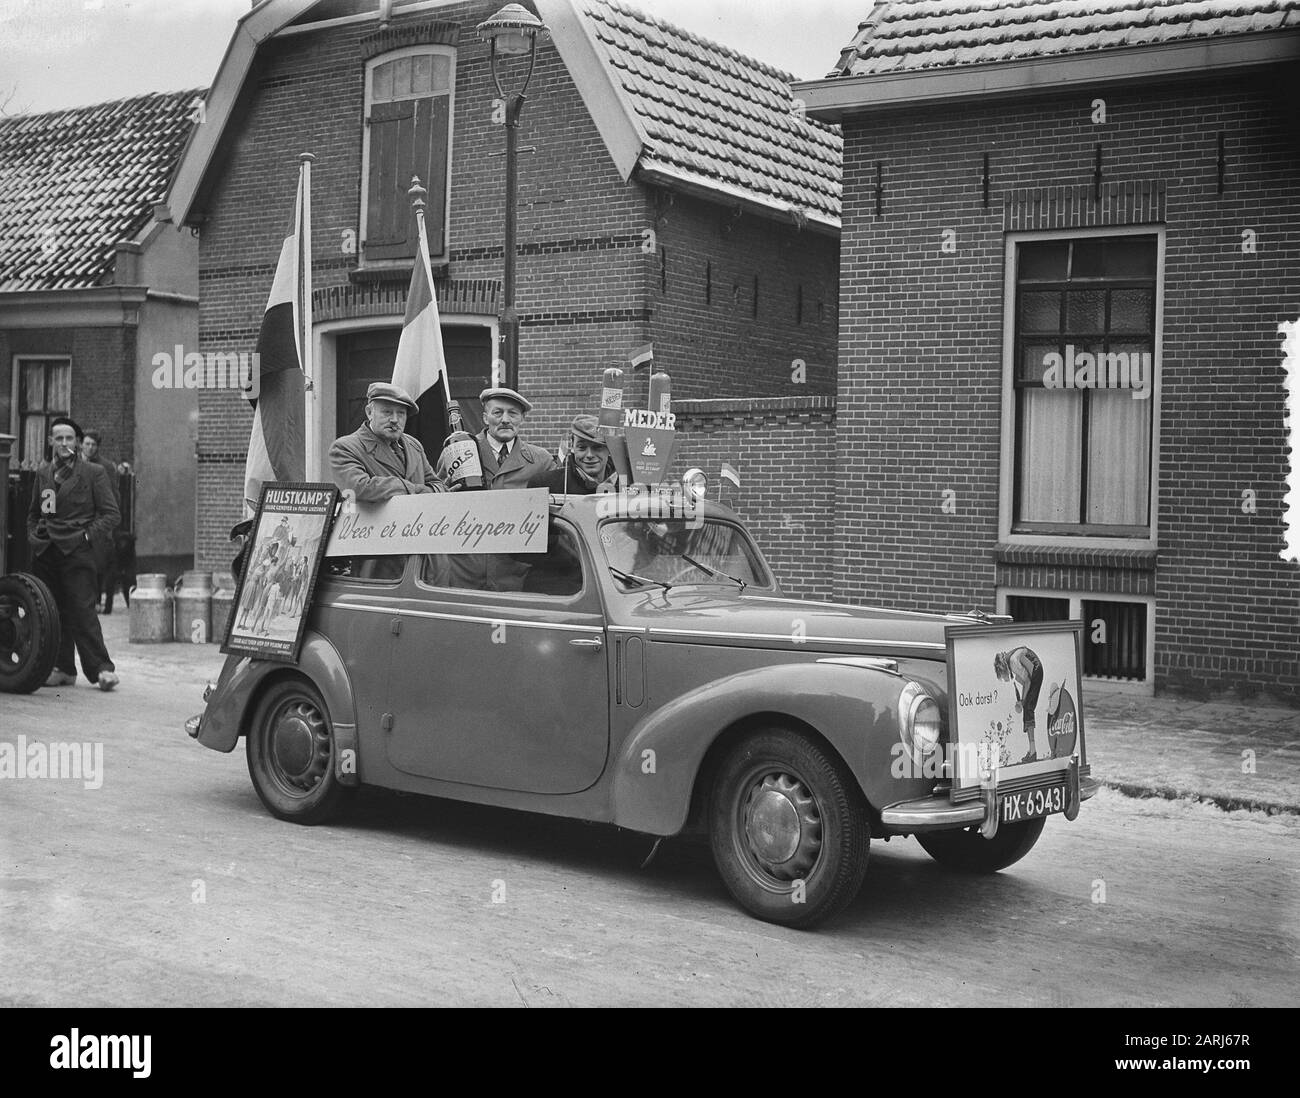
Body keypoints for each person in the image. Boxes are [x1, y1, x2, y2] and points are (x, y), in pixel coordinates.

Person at [26, 416, 121, 690]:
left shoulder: (93, 473)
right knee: (51, 612)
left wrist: (86, 536)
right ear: (51, 442)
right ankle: (63, 668)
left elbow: (111, 514)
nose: (65, 443)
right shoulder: (44, 472)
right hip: (47, 551)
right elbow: (36, 513)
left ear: (77, 443)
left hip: (77, 552)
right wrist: (34, 537)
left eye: (69, 438)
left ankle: (102, 669)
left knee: (82, 611)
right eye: (59, 438)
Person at [328, 382, 447, 501]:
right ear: (369, 412)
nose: (395, 420)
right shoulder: (345, 448)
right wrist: (417, 490)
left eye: (401, 413)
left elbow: (436, 485)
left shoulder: (413, 445)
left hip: (419, 519)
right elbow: (359, 489)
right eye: (387, 412)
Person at [439, 386, 555, 488]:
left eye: (512, 413)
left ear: (522, 418)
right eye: (497, 413)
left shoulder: (541, 461)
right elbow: (437, 496)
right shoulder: (457, 452)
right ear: (485, 418)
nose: (505, 420)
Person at [529, 414, 614, 495]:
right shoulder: (544, 484)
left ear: (609, 449)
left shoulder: (624, 482)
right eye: (582, 447)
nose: (589, 455)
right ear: (572, 447)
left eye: (597, 447)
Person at [994, 646, 1044, 763]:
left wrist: (1022, 701)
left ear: (1002, 667)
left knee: (1028, 710)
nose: (1005, 677)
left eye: (1002, 674)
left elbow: (1027, 681)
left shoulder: (1013, 661)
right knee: (1027, 708)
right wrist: (1022, 701)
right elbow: (1025, 682)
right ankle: (1032, 751)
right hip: (1035, 673)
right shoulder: (1012, 659)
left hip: (1036, 674)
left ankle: (1033, 753)